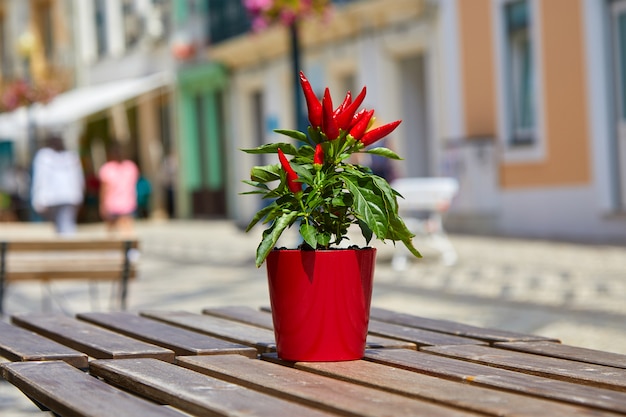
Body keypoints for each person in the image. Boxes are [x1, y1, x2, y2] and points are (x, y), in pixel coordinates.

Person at [31, 135, 85, 236]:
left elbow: (40, 178)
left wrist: (38, 198)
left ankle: (66, 248)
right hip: (68, 196)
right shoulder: (71, 156)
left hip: (53, 198)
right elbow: (79, 179)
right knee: (66, 226)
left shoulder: (44, 156)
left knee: (63, 226)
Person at [98, 142, 139, 236]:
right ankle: (130, 249)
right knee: (127, 231)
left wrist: (102, 204)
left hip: (112, 204)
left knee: (111, 232)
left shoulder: (107, 168)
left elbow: (103, 189)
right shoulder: (131, 167)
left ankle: (111, 249)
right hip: (128, 203)